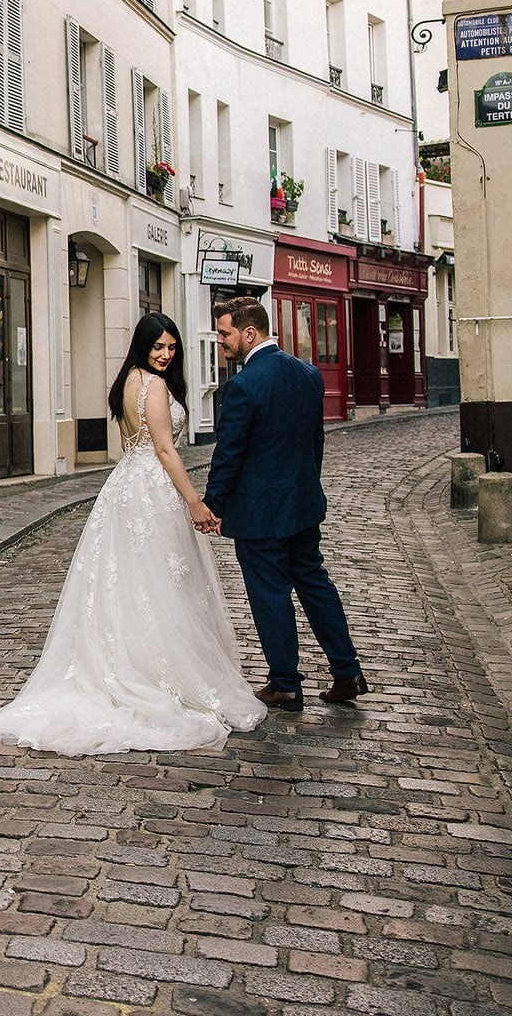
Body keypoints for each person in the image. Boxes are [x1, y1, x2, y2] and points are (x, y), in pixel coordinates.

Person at [0, 313, 267, 755]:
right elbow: (165, 449)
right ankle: (155, 672)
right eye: (158, 347)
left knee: (129, 581)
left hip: (125, 486)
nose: (166, 355)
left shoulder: (128, 381)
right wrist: (194, 501)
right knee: (159, 583)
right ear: (142, 347)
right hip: (152, 488)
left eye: (171, 348)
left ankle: (126, 660)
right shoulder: (157, 387)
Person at [201, 297, 368, 712]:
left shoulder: (244, 385)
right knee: (315, 584)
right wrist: (306, 488)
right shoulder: (308, 374)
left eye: (224, 333)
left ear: (249, 333)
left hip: (260, 513)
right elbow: (315, 444)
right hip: (302, 504)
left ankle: (285, 683)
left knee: (269, 592)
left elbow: (229, 453)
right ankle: (347, 671)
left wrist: (212, 504)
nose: (220, 341)